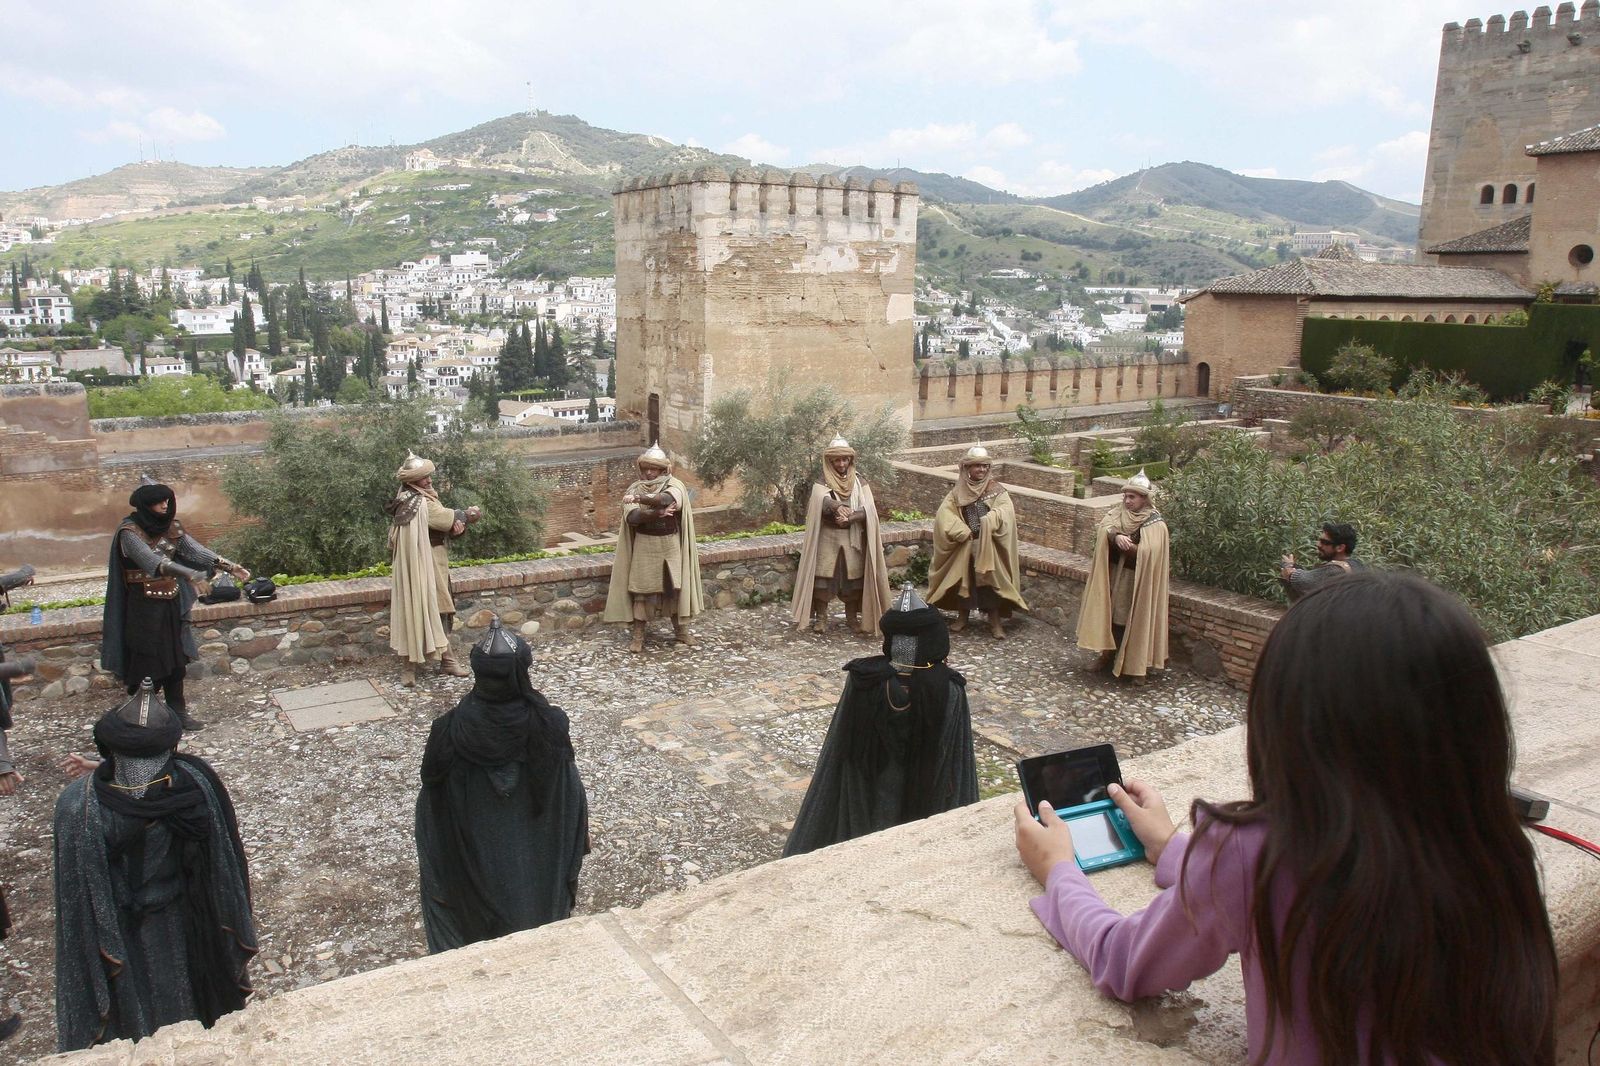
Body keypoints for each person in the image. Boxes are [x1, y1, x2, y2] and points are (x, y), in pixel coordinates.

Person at [1015, 571, 1557, 1065]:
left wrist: (1060, 870)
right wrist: (1171, 847)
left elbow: (1125, 961)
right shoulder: (1494, 856)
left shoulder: (1254, 850)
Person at [54, 680, 257, 1052]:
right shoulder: (80, 809)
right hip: (119, 934)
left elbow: (220, 866)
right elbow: (79, 902)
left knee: (190, 1022)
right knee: (135, 1027)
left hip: (188, 924)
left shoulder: (192, 787)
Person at [415, 618, 589, 953]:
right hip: (538, 870)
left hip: (475, 868)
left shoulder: (447, 731)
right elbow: (570, 800)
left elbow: (432, 813)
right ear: (521, 671)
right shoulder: (549, 724)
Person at [784, 585, 978, 857]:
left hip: (880, 787)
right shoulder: (948, 688)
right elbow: (955, 760)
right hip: (890, 783)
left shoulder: (866, 679)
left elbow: (841, 752)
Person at [102, 481, 250, 731]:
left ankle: (178, 713)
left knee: (176, 659)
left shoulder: (170, 527)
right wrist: (190, 574)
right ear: (145, 505)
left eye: (167, 500)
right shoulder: (129, 533)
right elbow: (153, 562)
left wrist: (230, 566)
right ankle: (143, 718)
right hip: (142, 606)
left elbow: (196, 551)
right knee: (147, 661)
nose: (165, 505)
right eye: (159, 501)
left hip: (171, 601)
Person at [387, 451, 481, 687]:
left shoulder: (420, 497)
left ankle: (447, 660)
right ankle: (409, 667)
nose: (429, 480)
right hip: (419, 562)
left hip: (434, 560)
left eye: (429, 476)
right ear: (412, 481)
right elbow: (445, 518)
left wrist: (457, 529)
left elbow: (443, 527)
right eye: (424, 477)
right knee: (415, 607)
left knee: (439, 608)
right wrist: (470, 514)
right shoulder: (416, 502)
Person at [603, 443, 704, 653]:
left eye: (654, 468)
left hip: (670, 544)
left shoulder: (674, 485)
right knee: (642, 592)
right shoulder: (634, 488)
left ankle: (681, 631)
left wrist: (641, 500)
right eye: (646, 468)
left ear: (662, 469)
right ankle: (638, 635)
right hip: (645, 544)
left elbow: (667, 499)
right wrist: (657, 513)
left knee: (674, 588)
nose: (650, 472)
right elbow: (633, 517)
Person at [791, 436, 891, 636]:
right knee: (823, 580)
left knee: (852, 581)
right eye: (837, 460)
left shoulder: (859, 480)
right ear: (830, 461)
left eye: (845, 459)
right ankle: (821, 617)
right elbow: (819, 502)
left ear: (850, 460)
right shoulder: (822, 480)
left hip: (852, 539)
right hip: (828, 537)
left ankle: (852, 618)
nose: (842, 464)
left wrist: (851, 518)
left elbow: (869, 509)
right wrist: (836, 506)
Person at [1075, 469, 1169, 678]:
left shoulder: (1156, 523)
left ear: (1144, 498)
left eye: (1132, 497)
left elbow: (1151, 553)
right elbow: (1105, 528)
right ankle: (1107, 656)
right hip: (1114, 573)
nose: (1127, 501)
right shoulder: (1118, 513)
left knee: (1132, 620)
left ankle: (1136, 667)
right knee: (1111, 616)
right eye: (1125, 496)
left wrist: (1132, 548)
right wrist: (1115, 535)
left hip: (1137, 580)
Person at [927, 446, 1027, 638]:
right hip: (965, 546)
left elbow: (1006, 511)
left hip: (989, 547)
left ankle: (995, 623)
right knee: (965, 581)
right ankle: (962, 617)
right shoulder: (957, 492)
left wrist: (991, 519)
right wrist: (960, 530)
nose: (981, 469)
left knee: (990, 583)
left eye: (984, 466)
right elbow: (944, 514)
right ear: (967, 468)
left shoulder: (997, 490)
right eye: (977, 466)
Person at [1279, 521, 1366, 603]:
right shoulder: (1357, 564)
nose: (1318, 544)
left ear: (1340, 548)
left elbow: (1304, 580)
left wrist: (1288, 567)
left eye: (1324, 542)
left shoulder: (1336, 570)